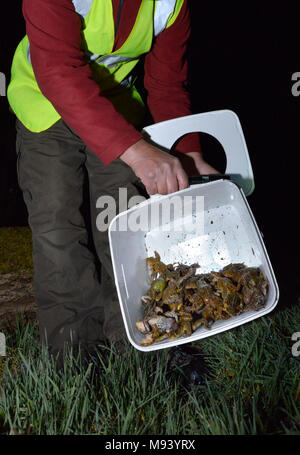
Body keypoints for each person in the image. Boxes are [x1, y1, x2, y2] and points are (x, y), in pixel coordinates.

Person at [7, 0, 218, 370]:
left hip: (115, 108)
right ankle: (74, 358)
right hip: (44, 101)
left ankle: (139, 346)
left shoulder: (172, 6)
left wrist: (189, 151)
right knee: (58, 227)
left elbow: (167, 84)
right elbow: (58, 71)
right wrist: (137, 152)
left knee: (126, 225)